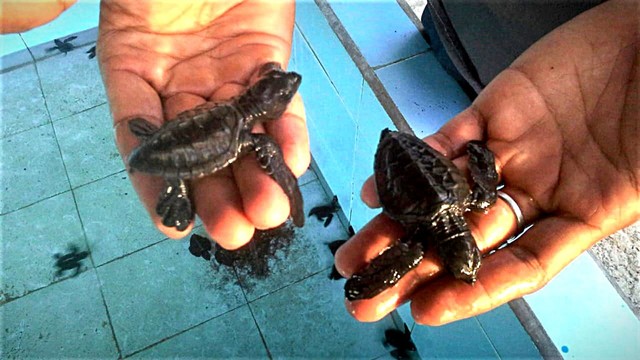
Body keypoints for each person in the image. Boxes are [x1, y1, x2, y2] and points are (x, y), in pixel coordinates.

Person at [3, 0, 637, 326]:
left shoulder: (463, 208)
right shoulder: (442, 224)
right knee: (254, 180)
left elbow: (479, 164)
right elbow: (472, 168)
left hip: (520, 75)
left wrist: (478, 155)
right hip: (495, 39)